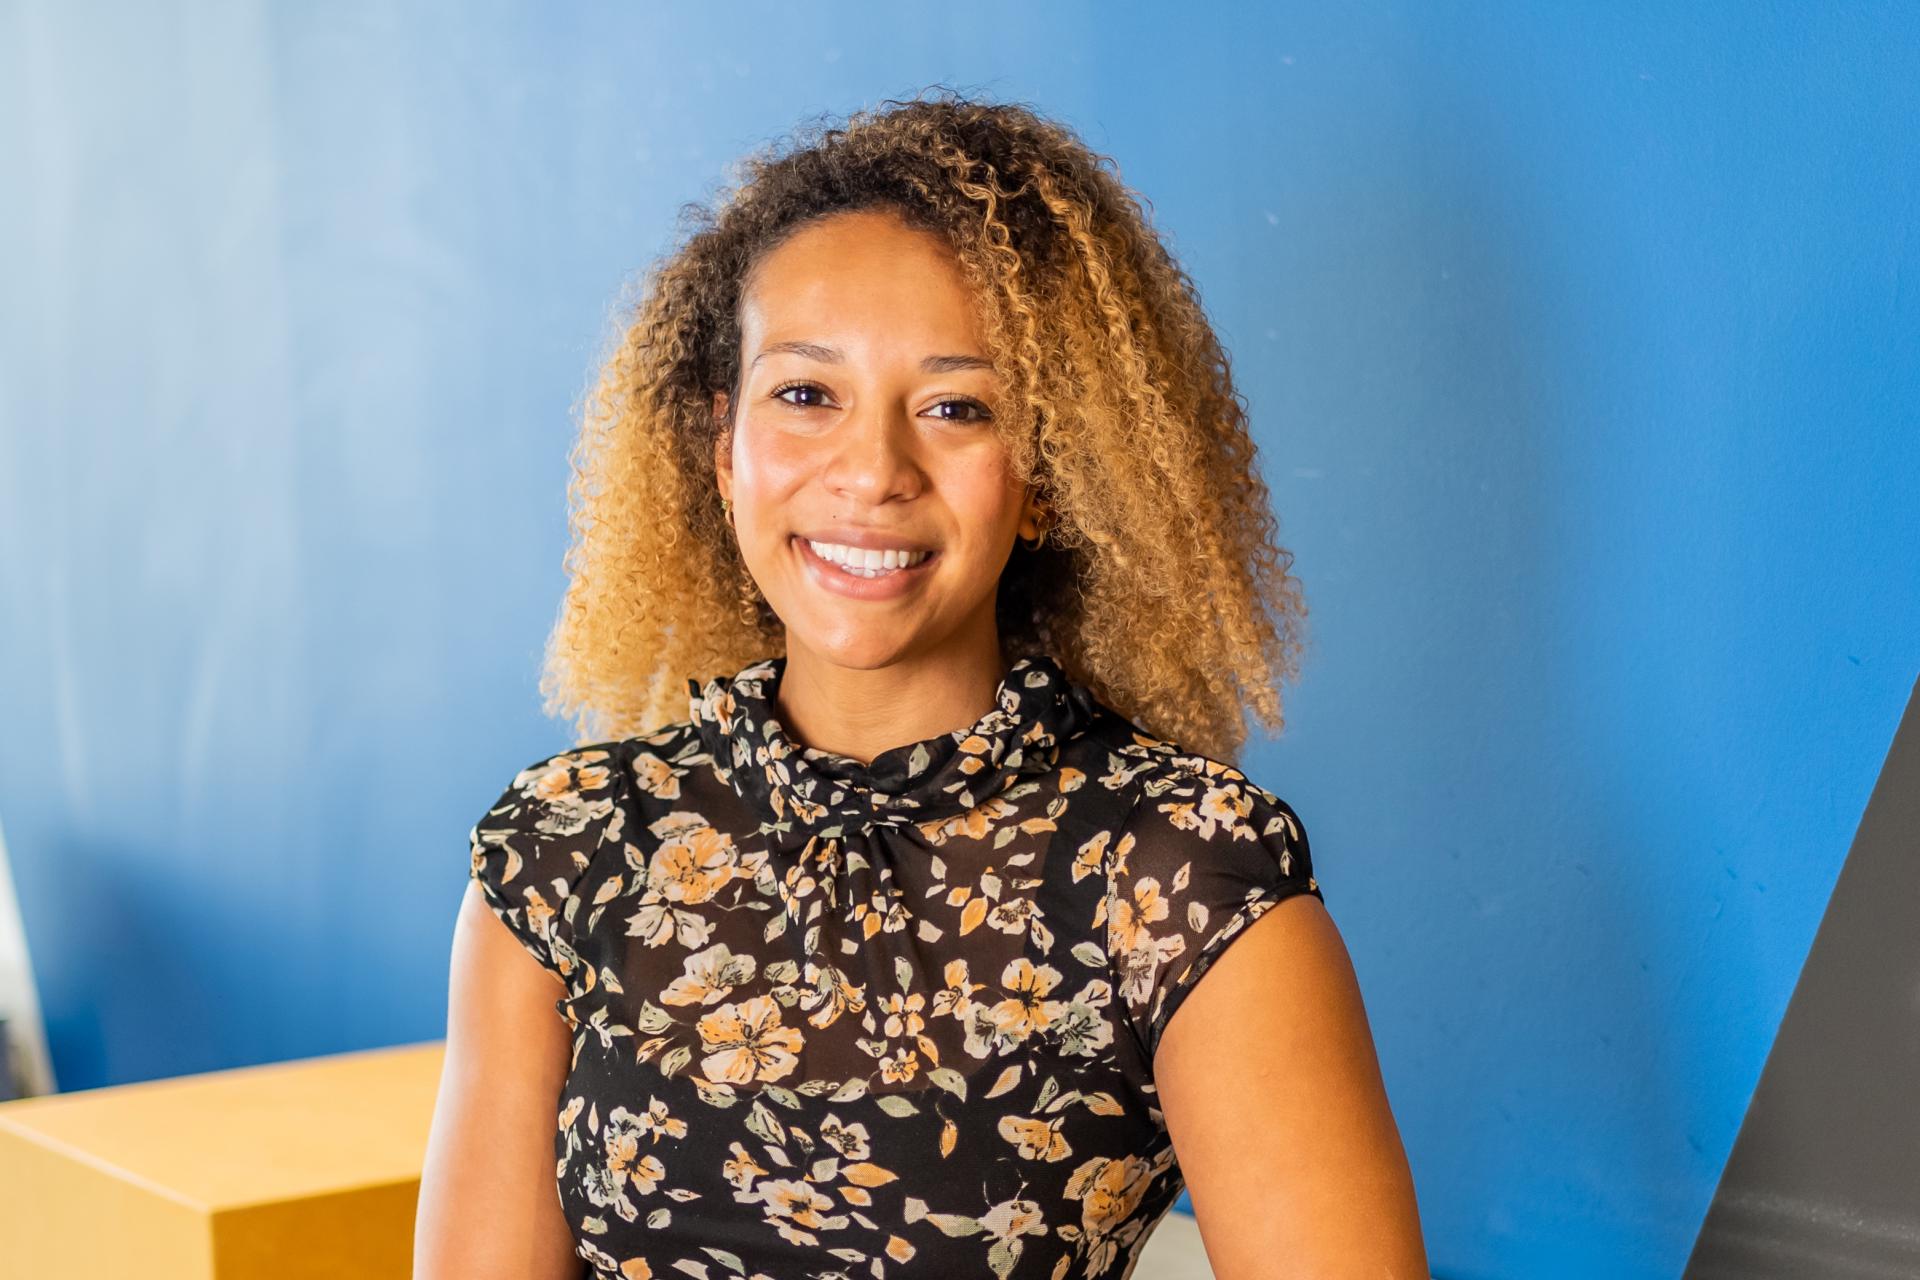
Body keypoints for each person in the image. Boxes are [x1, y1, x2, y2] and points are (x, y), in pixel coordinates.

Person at [416, 90, 1428, 1280]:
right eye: (806, 393)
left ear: (1047, 475)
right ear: (719, 446)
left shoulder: (1180, 880)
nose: (873, 471)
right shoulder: (567, 850)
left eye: (956, 407)